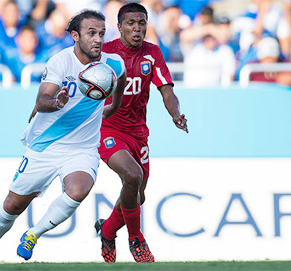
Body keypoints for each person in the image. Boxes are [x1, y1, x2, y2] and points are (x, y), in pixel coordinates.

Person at [0, 9, 126, 265]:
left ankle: (33, 234)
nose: (98, 39)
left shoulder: (113, 63)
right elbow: (41, 100)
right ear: (75, 35)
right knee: (13, 205)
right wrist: (56, 103)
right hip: (45, 146)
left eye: (102, 34)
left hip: (82, 149)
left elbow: (121, 78)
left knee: (79, 190)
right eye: (91, 33)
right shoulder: (60, 62)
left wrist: (113, 106)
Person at [94, 2, 188, 263]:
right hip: (108, 128)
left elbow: (167, 90)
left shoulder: (153, 53)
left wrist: (175, 114)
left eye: (141, 23)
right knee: (132, 175)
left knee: (137, 195)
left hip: (138, 133)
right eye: (131, 24)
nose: (137, 29)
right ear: (120, 27)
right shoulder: (106, 54)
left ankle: (108, 230)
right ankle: (136, 239)